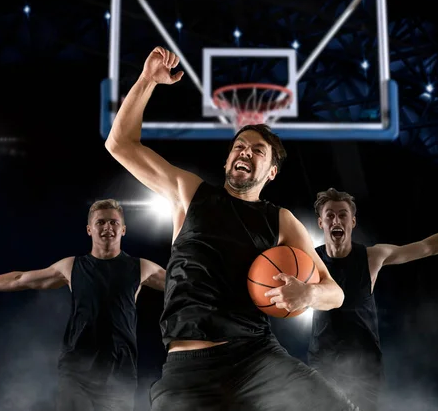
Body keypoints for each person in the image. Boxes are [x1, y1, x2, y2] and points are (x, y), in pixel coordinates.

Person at [104, 46, 355, 411]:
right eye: (240, 146)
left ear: (271, 172)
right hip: (187, 367)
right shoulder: (189, 194)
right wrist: (147, 80)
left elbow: (335, 293)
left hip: (255, 356)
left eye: (258, 151)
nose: (245, 152)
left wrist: (307, 295)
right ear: (227, 158)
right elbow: (119, 144)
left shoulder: (280, 220)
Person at [0, 199, 166, 411]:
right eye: (100, 222)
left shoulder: (141, 268)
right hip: (77, 369)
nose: (108, 227)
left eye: (113, 222)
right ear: (89, 229)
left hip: (121, 371)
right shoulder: (71, 266)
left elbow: (184, 284)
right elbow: (20, 279)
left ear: (123, 229)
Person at [307, 188, 438, 411]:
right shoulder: (307, 260)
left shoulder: (372, 257)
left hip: (364, 368)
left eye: (342, 215)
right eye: (329, 215)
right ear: (321, 223)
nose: (336, 220)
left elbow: (430, 247)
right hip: (322, 363)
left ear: (353, 222)